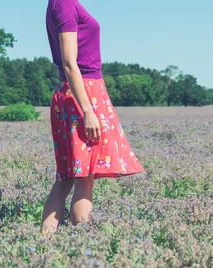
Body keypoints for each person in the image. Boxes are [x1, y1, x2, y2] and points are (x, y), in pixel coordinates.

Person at [41, 0, 145, 234]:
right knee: (84, 178)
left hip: (74, 94)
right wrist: (88, 110)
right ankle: (83, 250)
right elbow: (69, 63)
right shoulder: (65, 3)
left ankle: (42, 246)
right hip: (84, 94)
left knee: (66, 179)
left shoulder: (58, 3)